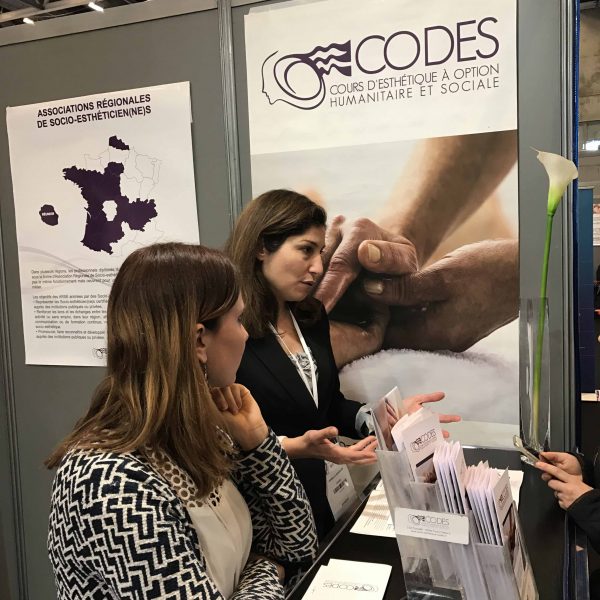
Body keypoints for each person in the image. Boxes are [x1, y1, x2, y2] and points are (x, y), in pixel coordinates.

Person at [45, 243, 317, 599]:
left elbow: (297, 546)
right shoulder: (110, 484)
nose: (246, 334)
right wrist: (268, 570)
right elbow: (278, 561)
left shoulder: (201, 433)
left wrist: (257, 441)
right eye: (238, 320)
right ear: (199, 340)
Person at [226, 189, 459, 538]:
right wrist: (295, 447)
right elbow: (221, 439)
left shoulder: (310, 316)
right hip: (267, 512)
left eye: (320, 253)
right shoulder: (229, 333)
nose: (318, 268)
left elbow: (328, 405)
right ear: (262, 247)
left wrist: (381, 419)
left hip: (324, 499)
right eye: (305, 250)